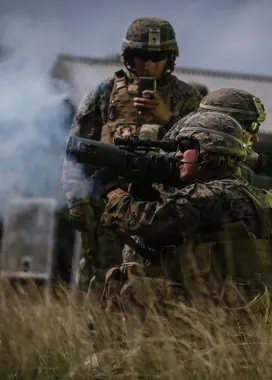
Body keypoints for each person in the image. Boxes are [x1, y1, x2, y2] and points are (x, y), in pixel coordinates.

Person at [96, 111, 272, 326]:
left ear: (209, 150)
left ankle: (144, 360)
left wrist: (113, 192)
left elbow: (148, 221)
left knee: (136, 289)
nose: (177, 155)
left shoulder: (213, 194)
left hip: (225, 317)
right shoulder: (247, 191)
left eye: (186, 147)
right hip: (248, 313)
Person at [61, 16, 202, 292]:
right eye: (139, 56)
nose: (147, 64)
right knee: (98, 283)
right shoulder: (105, 93)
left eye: (156, 56)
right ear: (128, 56)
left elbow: (200, 151)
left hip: (159, 212)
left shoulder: (186, 97)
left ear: (169, 57)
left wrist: (169, 118)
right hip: (107, 208)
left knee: (152, 286)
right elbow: (76, 148)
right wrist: (77, 199)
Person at [163, 88, 272, 181]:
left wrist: (256, 162)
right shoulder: (178, 162)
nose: (255, 138)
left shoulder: (211, 155)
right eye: (252, 127)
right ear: (224, 125)